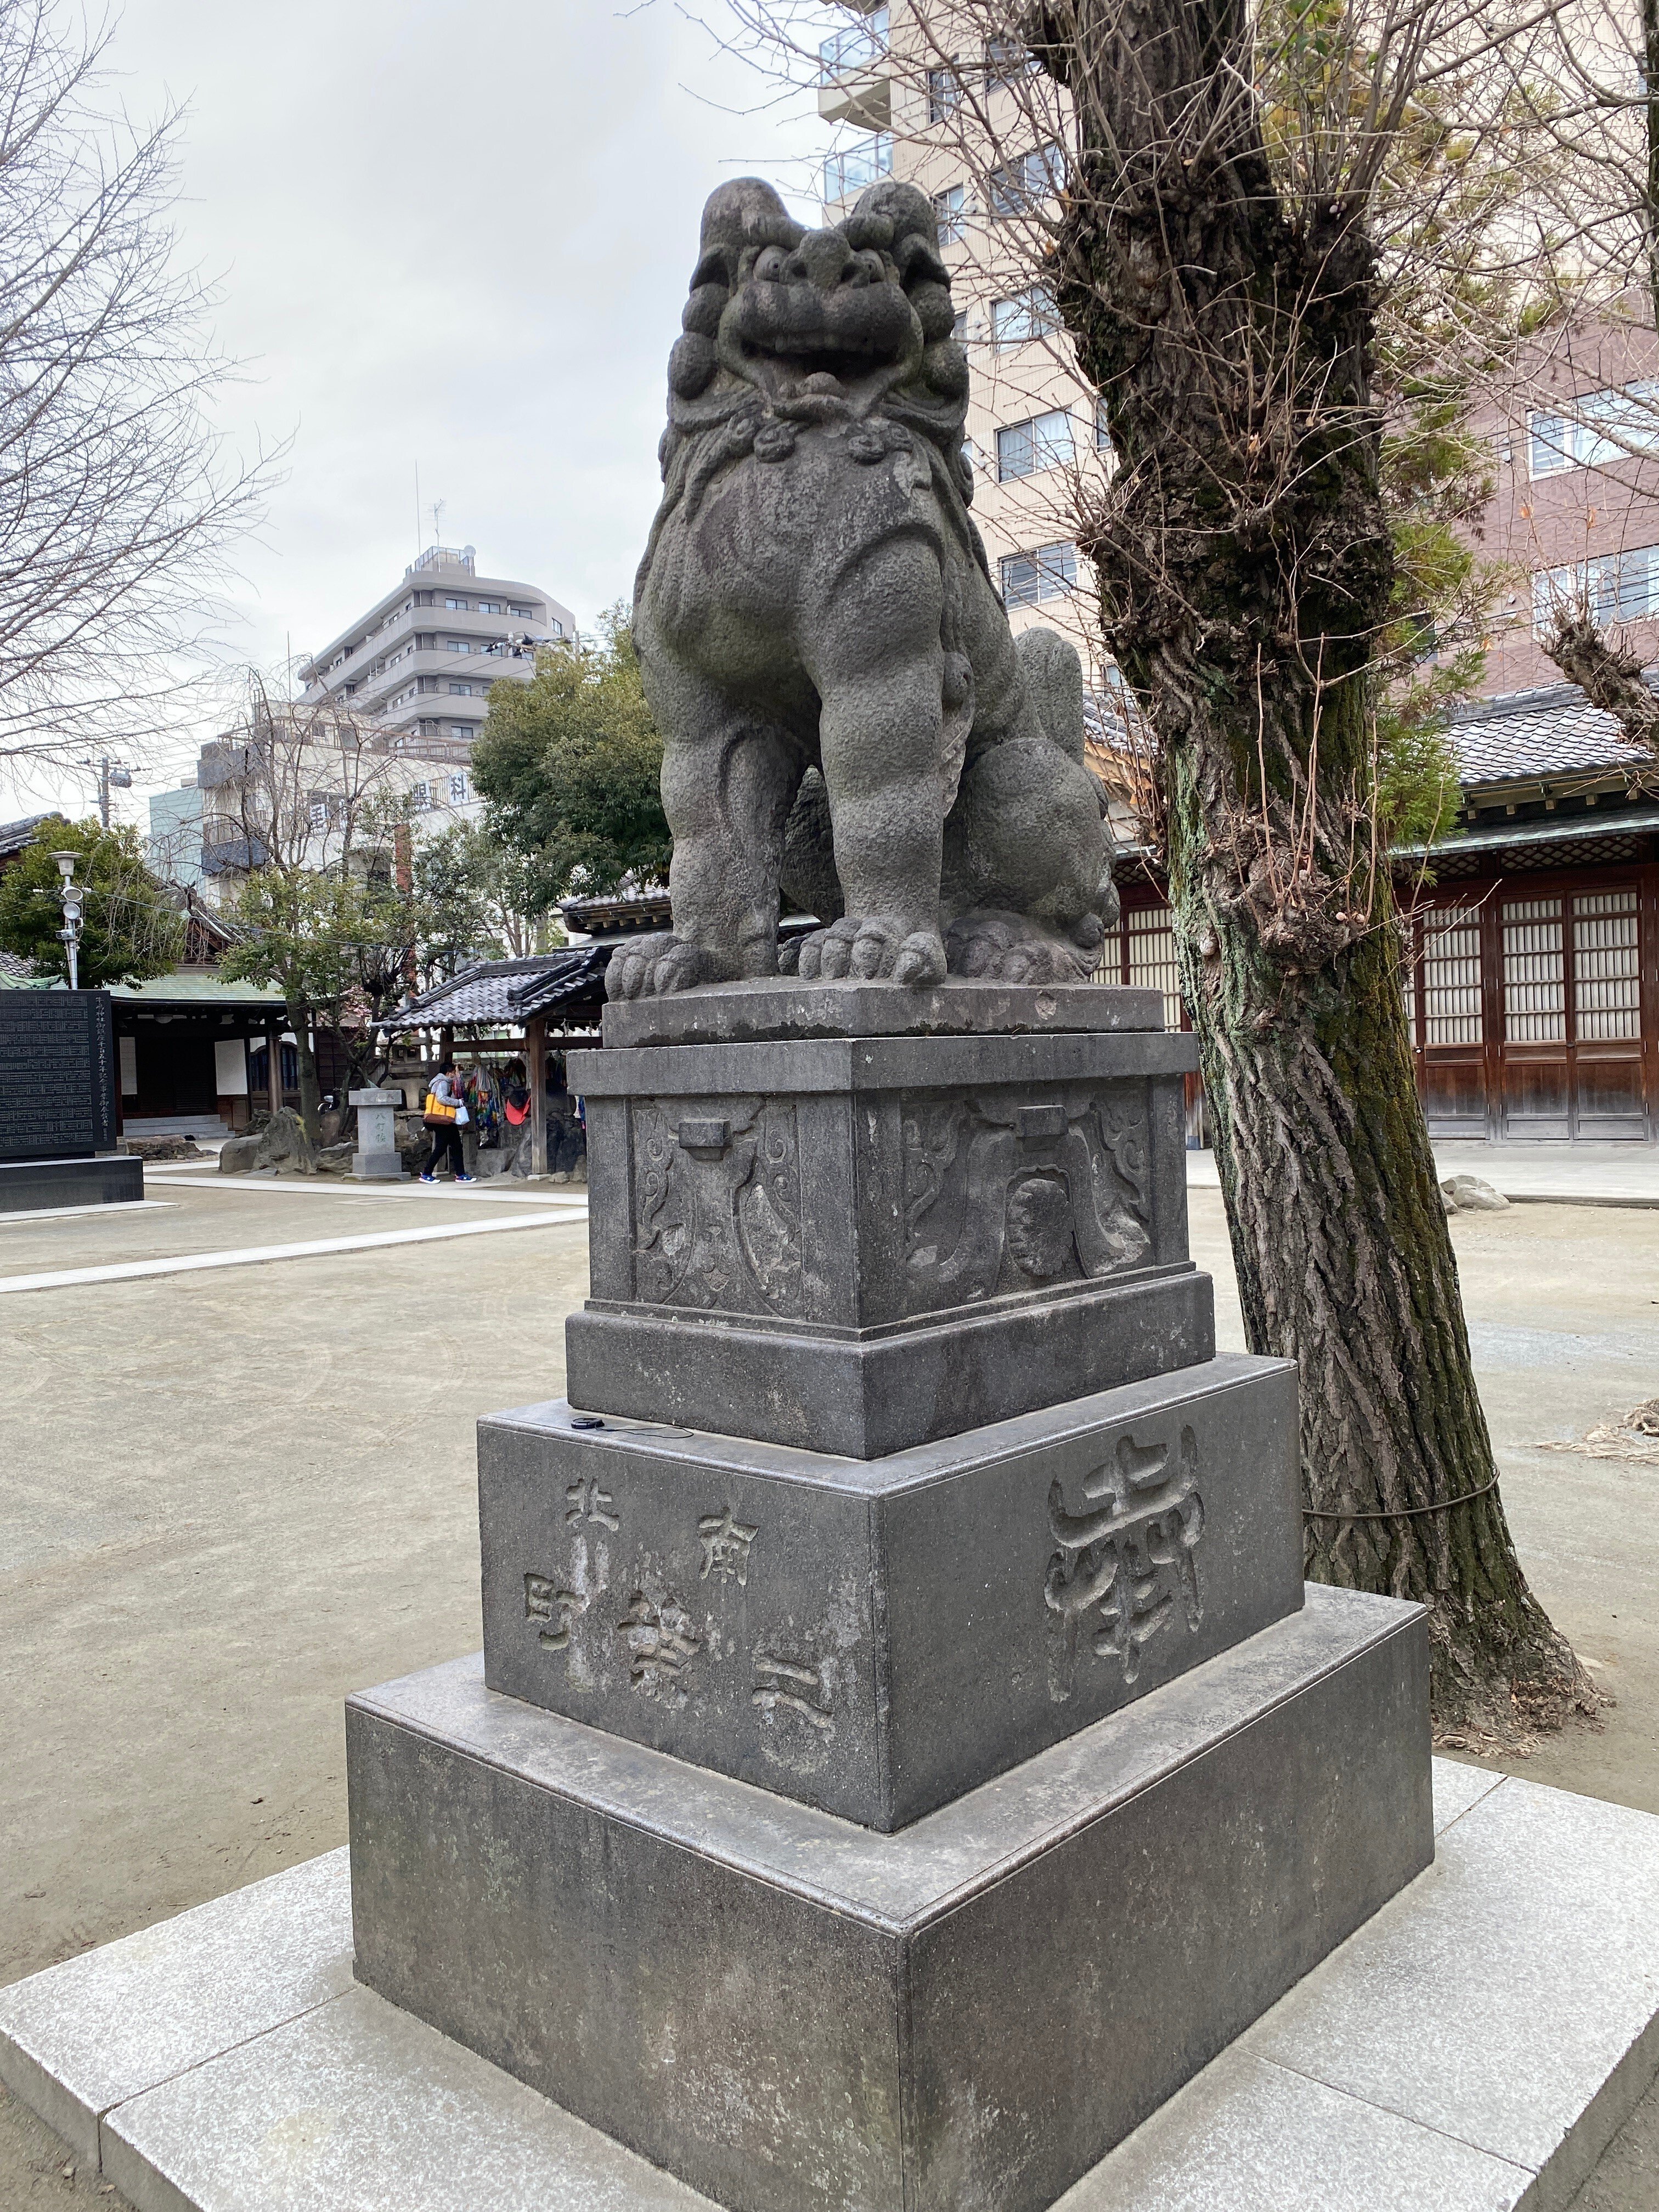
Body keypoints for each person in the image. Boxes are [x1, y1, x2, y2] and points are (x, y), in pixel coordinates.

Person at [419, 1058, 474, 1184]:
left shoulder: (441, 1082)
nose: (456, 1074)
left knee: (453, 1146)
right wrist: (457, 1102)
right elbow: (442, 1099)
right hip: (442, 1120)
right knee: (445, 1147)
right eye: (454, 1072)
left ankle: (460, 1173)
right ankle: (428, 1173)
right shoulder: (443, 1083)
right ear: (449, 1073)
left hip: (444, 1120)